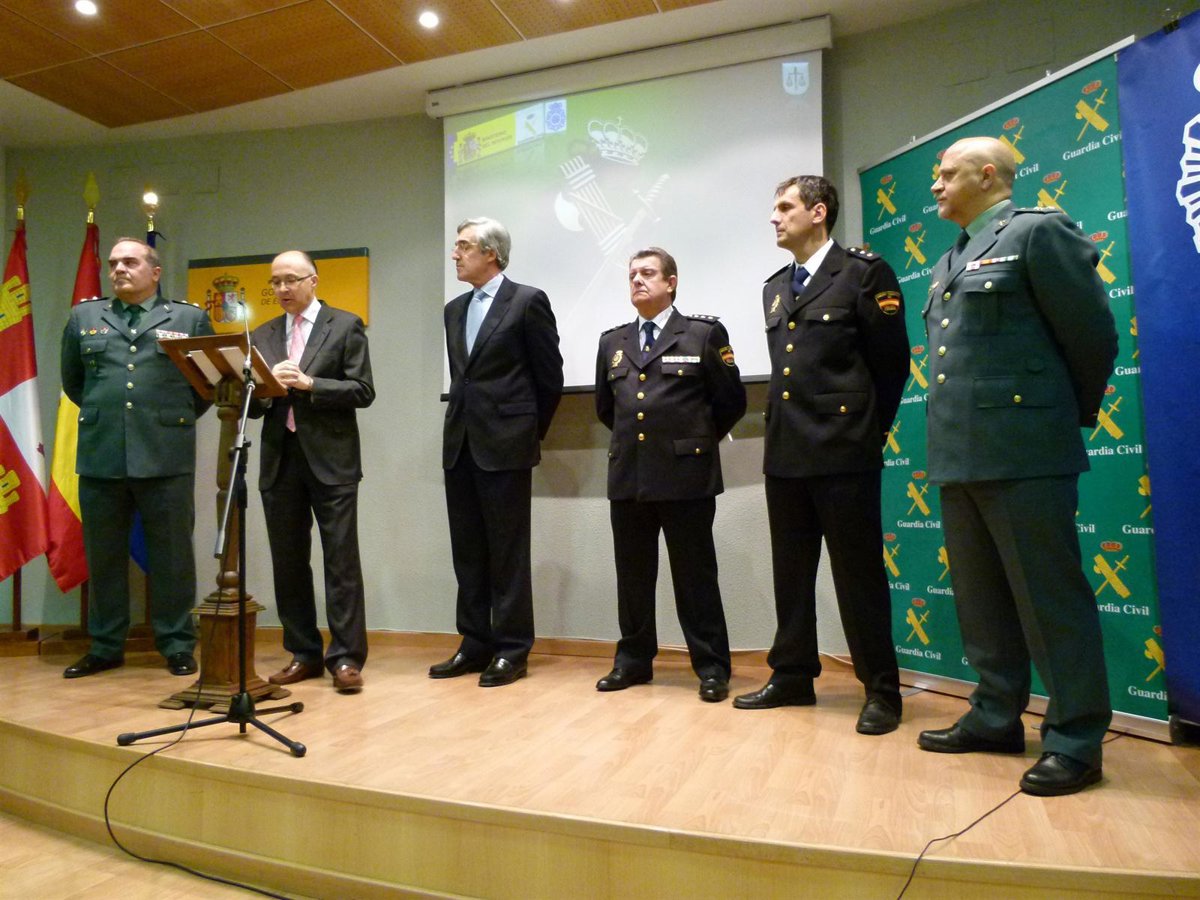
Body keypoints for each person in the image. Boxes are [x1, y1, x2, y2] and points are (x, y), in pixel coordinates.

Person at [917, 137, 1118, 795]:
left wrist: (1054, 419)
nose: (936, 185)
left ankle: (1075, 739)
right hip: (960, 452)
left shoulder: (1036, 233)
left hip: (1026, 451)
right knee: (982, 602)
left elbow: (1092, 335)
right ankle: (996, 714)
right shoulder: (949, 260)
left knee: (1049, 601)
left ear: (987, 175)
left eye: (946, 174)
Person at [733, 176, 910, 735]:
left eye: (784, 206)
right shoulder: (774, 287)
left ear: (817, 212)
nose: (774, 217)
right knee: (791, 573)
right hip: (786, 451)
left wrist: (866, 433)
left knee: (858, 576)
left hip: (844, 451)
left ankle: (881, 690)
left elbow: (892, 365)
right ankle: (792, 675)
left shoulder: (863, 273)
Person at [594, 248, 746, 702]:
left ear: (671, 282)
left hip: (686, 476)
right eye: (632, 275)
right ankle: (633, 661)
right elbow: (606, 408)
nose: (637, 281)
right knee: (633, 578)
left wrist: (691, 443)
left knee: (695, 578)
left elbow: (731, 401)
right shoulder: (612, 341)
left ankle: (712, 666)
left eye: (648, 273)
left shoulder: (702, 333)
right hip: (630, 476)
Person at [60, 238, 214, 678]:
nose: (119, 270)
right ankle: (105, 646)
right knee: (104, 556)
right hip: (102, 452)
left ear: (155, 272)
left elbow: (205, 387)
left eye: (130, 262)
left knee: (173, 556)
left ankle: (177, 643)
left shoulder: (188, 318)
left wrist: (168, 419)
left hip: (165, 453)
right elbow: (75, 382)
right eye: (113, 264)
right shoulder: (85, 317)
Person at [432, 217, 563, 687]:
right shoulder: (453, 309)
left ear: (491, 253)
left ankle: (511, 648)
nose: (455, 254)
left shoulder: (527, 301)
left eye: (464, 246)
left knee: (507, 552)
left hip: (506, 446)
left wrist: (525, 433)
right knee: (467, 551)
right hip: (460, 444)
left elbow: (549, 378)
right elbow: (462, 378)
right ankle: (474, 643)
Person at [249, 251, 375, 694]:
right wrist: (266, 388)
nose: (282, 289)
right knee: (288, 563)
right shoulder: (262, 334)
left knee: (341, 561)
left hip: (332, 462)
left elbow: (363, 390)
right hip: (280, 459)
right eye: (275, 282)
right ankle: (303, 653)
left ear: (313, 280)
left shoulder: (344, 325)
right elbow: (252, 404)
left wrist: (310, 384)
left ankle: (346, 657)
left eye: (290, 280)